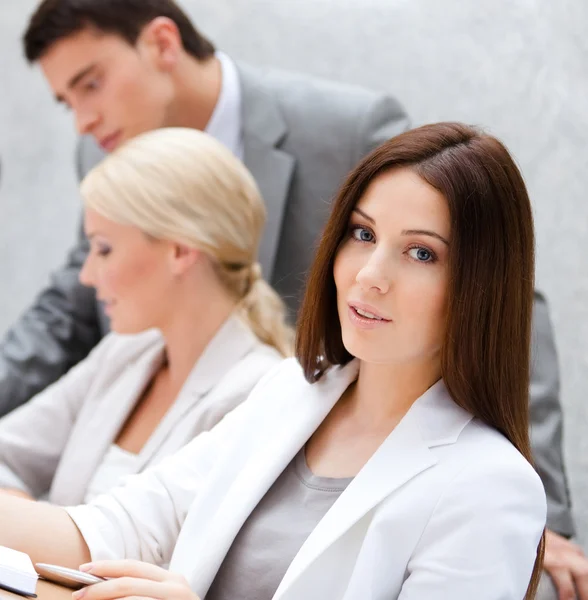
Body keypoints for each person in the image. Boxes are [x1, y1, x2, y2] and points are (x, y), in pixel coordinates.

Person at [4, 0, 576, 592]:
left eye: (421, 253)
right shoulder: (287, 394)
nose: (369, 275)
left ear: (479, 286)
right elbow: (111, 528)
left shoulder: (489, 485)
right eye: (362, 234)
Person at [0, 127, 290, 504]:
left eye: (104, 249)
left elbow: (156, 550)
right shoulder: (123, 354)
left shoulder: (254, 396)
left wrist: (25, 531)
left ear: (181, 252)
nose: (87, 276)